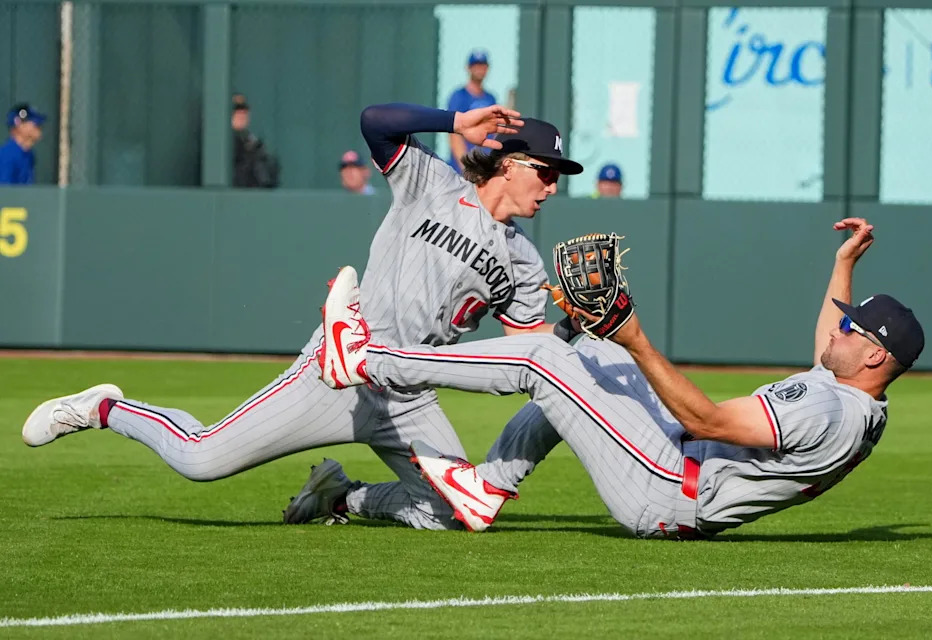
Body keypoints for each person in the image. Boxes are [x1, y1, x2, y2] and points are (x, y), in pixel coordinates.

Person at [21, 101, 585, 531]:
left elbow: (524, 352)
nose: (554, 184)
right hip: (338, 374)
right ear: (510, 164)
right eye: (547, 169)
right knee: (201, 458)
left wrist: (574, 328)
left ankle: (339, 495)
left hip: (411, 399)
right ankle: (104, 407)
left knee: (460, 513)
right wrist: (455, 119)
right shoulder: (433, 184)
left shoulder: (523, 258)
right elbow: (375, 121)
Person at [317, 218, 925, 538]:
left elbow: (704, 420)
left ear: (875, 358)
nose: (839, 331)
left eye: (855, 331)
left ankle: (363, 359)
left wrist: (636, 337)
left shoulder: (829, 413)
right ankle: (479, 489)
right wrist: (842, 267)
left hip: (668, 489)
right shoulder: (850, 392)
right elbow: (829, 345)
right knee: (593, 354)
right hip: (676, 465)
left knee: (544, 361)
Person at [446, 50, 497, 174]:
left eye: (483, 65)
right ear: (468, 68)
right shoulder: (459, 96)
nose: (479, 69)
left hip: (485, 165)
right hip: (466, 167)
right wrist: (465, 167)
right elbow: (454, 134)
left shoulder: (490, 98)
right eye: (476, 65)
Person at [231, 94, 279, 188]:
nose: (241, 116)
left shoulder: (249, 138)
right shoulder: (226, 140)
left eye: (244, 113)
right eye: (237, 113)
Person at [0, 103, 46, 185]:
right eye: (34, 122)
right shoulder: (7, 154)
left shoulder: (29, 154)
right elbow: (4, 193)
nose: (38, 126)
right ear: (20, 125)